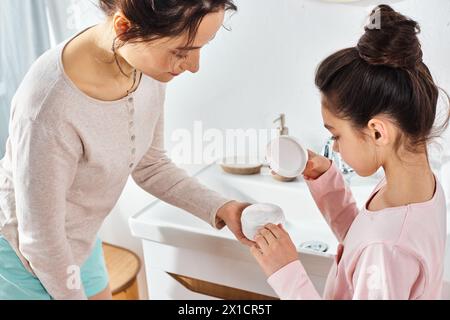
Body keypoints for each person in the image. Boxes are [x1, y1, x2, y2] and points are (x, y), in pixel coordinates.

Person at [0, 0, 252, 300]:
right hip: (25, 257)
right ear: (125, 27)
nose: (194, 66)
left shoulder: (144, 65)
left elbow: (151, 165)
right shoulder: (48, 107)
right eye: (182, 51)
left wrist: (221, 207)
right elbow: (41, 240)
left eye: (201, 47)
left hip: (81, 240)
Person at [251, 5, 449, 300]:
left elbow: (377, 247)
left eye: (336, 135)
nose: (335, 147)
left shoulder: (387, 249)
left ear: (378, 132)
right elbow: (362, 241)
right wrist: (326, 182)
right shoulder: (417, 189)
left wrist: (287, 274)